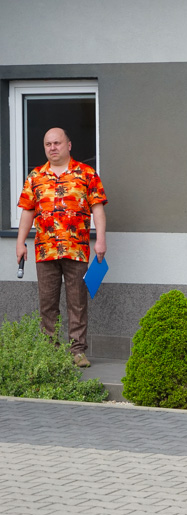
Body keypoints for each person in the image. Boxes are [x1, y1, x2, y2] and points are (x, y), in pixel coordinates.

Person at [16, 127, 107, 369]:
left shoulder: (87, 174)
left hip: (76, 249)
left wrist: (100, 240)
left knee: (77, 302)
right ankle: (50, 352)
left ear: (68, 145)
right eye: (48, 144)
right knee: (47, 303)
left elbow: (98, 208)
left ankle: (77, 351)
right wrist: (20, 242)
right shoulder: (35, 177)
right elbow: (28, 211)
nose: (52, 147)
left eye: (57, 143)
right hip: (45, 250)